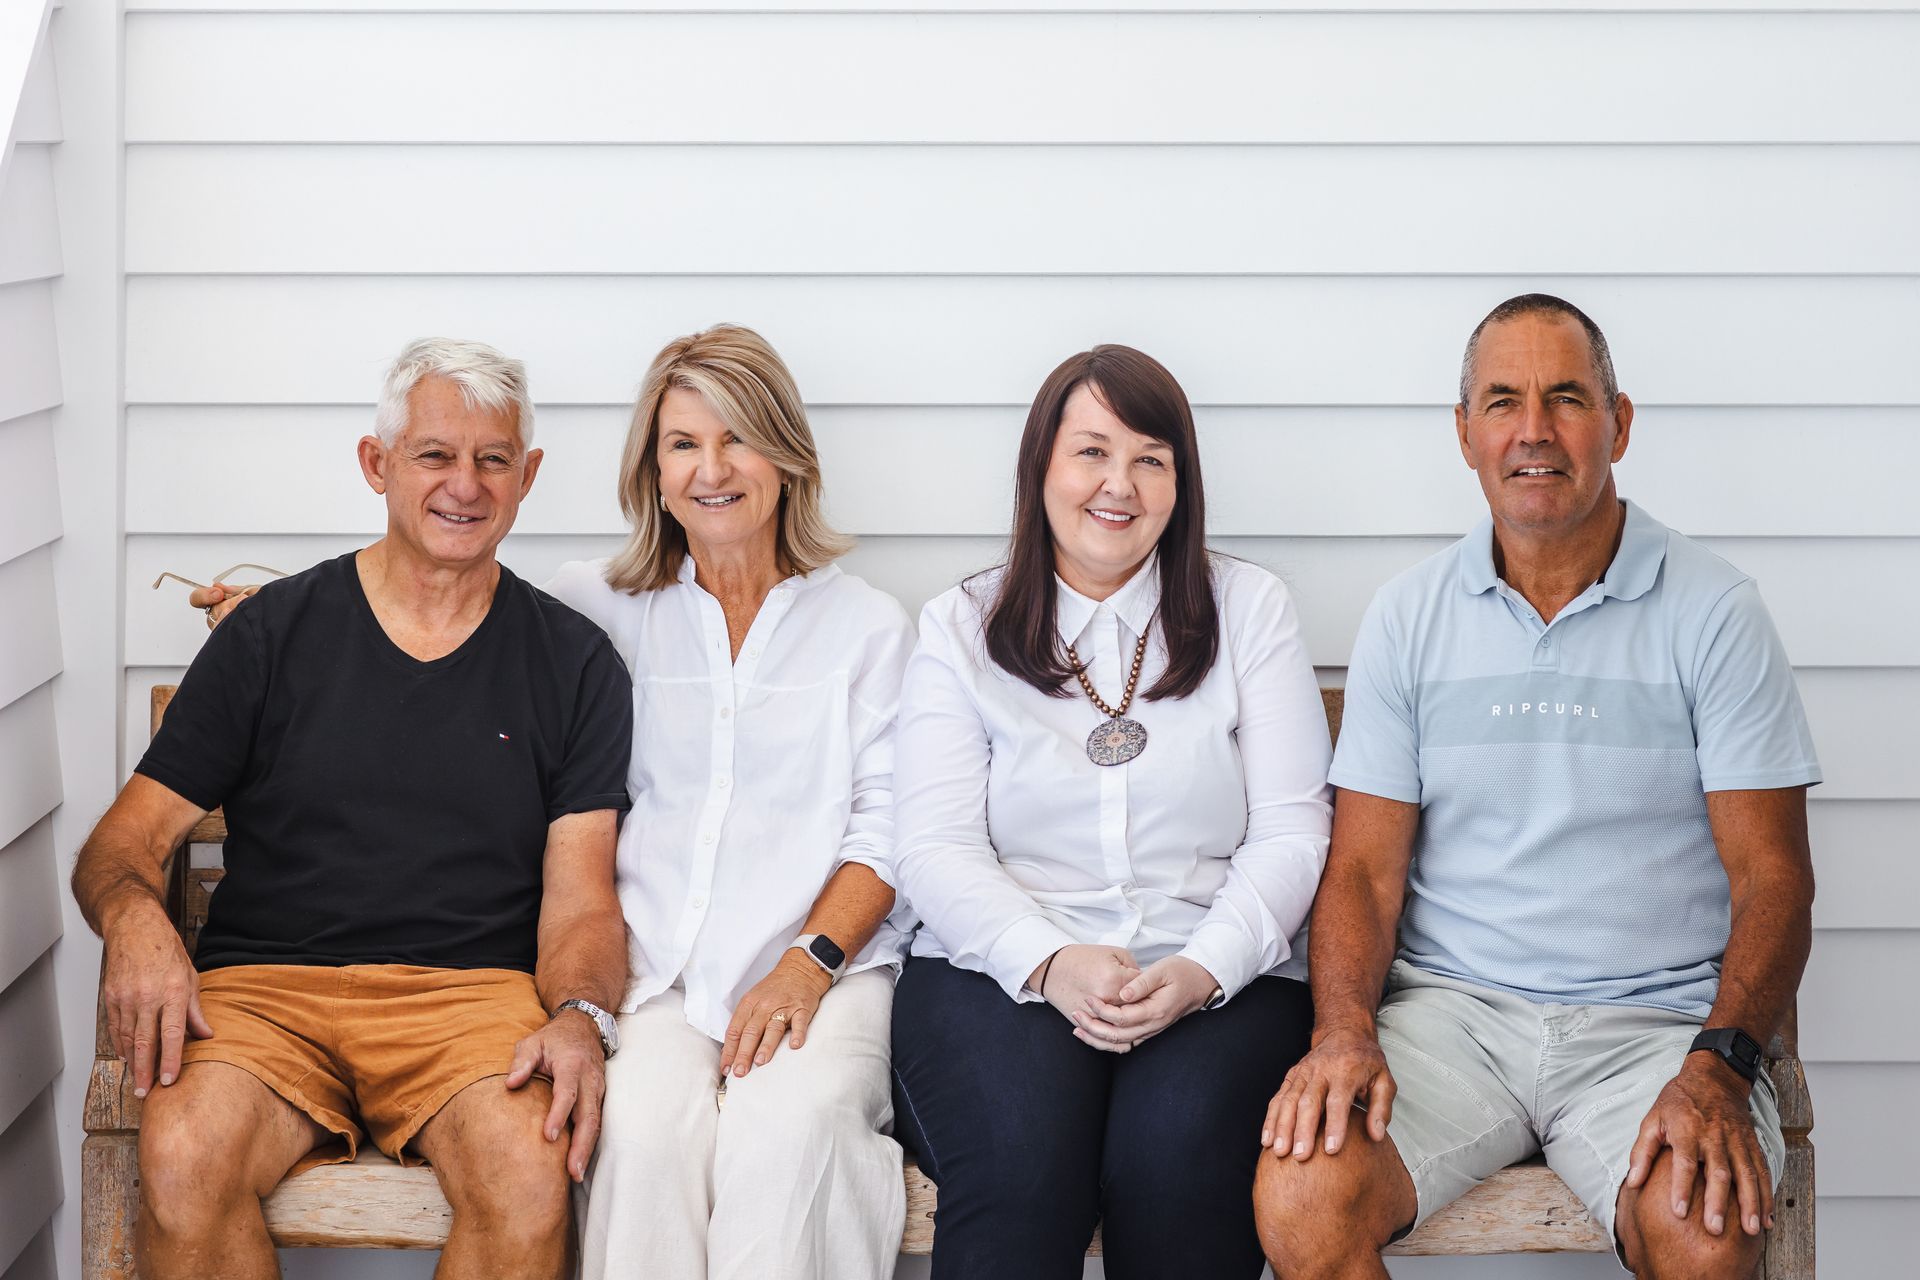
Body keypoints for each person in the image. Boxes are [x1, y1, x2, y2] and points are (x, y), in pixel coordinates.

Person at [1252, 295, 1819, 1280]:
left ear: (1619, 422)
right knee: (1302, 1193)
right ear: (1466, 430)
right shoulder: (1410, 616)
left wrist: (1719, 1061)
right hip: (1451, 1019)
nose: (1535, 430)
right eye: (1504, 400)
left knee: (1706, 1226)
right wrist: (1343, 1032)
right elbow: (1363, 873)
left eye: (1567, 397)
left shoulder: (1714, 611)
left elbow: (1772, 875)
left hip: (1655, 1026)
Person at [73, 338, 634, 1279]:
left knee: (529, 1175)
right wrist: (134, 919)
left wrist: (580, 1013)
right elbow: (123, 844)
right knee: (182, 1155)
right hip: (266, 997)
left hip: (472, 1003)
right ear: (377, 465)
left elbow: (580, 902)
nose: (465, 484)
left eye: (493, 459)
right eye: (434, 455)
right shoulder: (268, 635)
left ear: (527, 476)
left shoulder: (574, 663)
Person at [889, 344, 1333, 1279]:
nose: (1118, 485)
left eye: (1150, 459)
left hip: (1216, 969)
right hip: (999, 970)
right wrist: (1047, 961)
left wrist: (1204, 969)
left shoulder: (1249, 611)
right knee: (1019, 1173)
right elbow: (934, 847)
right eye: (1091, 452)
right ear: (1041, 467)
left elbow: (1293, 832)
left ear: (1181, 481)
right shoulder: (960, 628)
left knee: (1176, 1172)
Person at [542, 324, 916, 1280]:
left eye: (735, 438)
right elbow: (440, 602)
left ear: (785, 456)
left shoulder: (865, 628)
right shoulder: (597, 606)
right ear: (652, 469)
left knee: (787, 1138)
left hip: (821, 974)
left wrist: (808, 964)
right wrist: (270, 610)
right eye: (682, 444)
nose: (711, 469)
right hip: (655, 977)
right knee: (642, 1138)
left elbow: (890, 826)